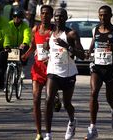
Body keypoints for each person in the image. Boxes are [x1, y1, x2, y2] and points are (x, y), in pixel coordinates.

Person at [44, 8, 85, 140]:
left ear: (66, 18)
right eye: (56, 16)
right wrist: (45, 50)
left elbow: (82, 55)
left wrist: (67, 46)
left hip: (68, 74)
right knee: (48, 100)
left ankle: (72, 121)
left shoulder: (71, 34)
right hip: (53, 72)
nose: (58, 18)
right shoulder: (50, 33)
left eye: (61, 16)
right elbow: (50, 51)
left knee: (67, 104)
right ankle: (48, 135)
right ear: (53, 18)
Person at [84, 5, 113, 140]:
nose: (103, 17)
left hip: (110, 69)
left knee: (110, 98)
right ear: (98, 16)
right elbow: (93, 44)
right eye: (101, 15)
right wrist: (88, 51)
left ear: (110, 16)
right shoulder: (95, 30)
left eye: (105, 15)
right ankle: (92, 128)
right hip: (97, 67)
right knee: (93, 93)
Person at [21, 5, 54, 140]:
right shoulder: (35, 29)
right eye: (42, 13)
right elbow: (34, 46)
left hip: (52, 69)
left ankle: (48, 132)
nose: (44, 15)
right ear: (40, 15)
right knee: (35, 100)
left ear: (51, 16)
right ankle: (39, 133)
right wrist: (26, 55)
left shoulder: (54, 31)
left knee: (48, 101)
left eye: (47, 13)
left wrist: (51, 57)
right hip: (38, 69)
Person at [9, 6, 31, 78]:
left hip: (21, 46)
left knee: (26, 48)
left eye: (18, 17)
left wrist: (24, 43)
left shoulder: (25, 25)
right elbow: (6, 35)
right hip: (10, 45)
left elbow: (27, 36)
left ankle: (22, 69)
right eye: (14, 16)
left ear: (21, 18)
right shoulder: (9, 24)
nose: (16, 18)